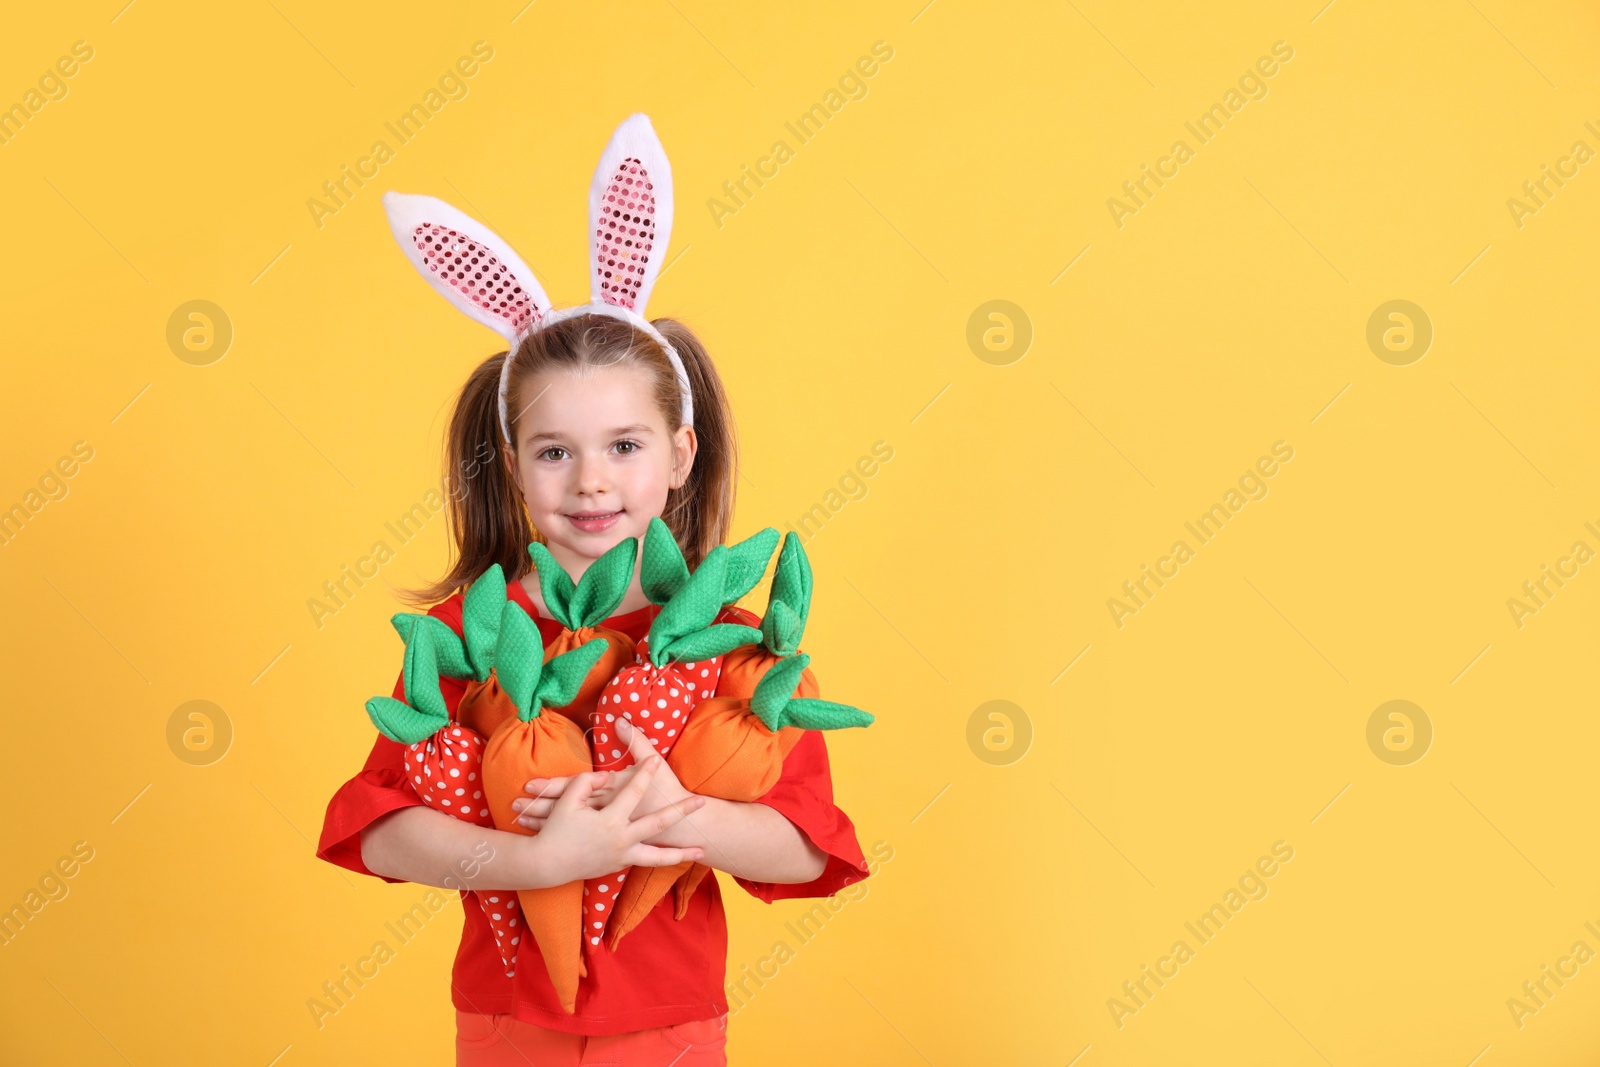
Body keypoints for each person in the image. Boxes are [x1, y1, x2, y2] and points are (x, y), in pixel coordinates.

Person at [315, 114, 870, 1067]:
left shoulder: (737, 652)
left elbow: (810, 848)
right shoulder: (467, 635)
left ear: (680, 455)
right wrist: (537, 863)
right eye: (554, 451)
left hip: (673, 1030)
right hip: (507, 1028)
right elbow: (377, 828)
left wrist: (682, 818)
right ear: (513, 466)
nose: (591, 482)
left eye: (624, 445)